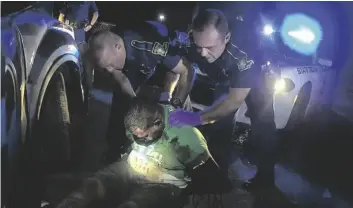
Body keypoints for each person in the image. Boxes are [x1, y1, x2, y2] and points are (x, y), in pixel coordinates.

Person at [169, 8, 278, 192]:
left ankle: (266, 180)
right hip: (224, 75)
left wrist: (196, 118)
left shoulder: (243, 54)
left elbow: (233, 101)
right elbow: (183, 68)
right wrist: (175, 101)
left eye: (209, 47)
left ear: (226, 38)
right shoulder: (192, 41)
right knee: (219, 125)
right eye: (198, 46)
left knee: (264, 128)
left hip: (256, 77)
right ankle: (217, 178)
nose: (202, 53)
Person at [52, 99, 217, 208]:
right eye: (135, 137)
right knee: (93, 185)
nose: (139, 141)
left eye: (144, 137)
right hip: (131, 167)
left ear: (158, 124)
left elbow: (210, 178)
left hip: (165, 183)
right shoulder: (136, 121)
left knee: (135, 204)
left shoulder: (187, 137)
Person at [87, 21, 195, 164]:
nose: (109, 71)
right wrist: (136, 108)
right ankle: (116, 151)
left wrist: (173, 103)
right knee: (122, 111)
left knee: (174, 119)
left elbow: (185, 70)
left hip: (164, 78)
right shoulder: (111, 50)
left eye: (110, 66)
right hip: (140, 76)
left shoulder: (150, 45)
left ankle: (184, 158)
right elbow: (124, 85)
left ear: (118, 47)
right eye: (104, 69)